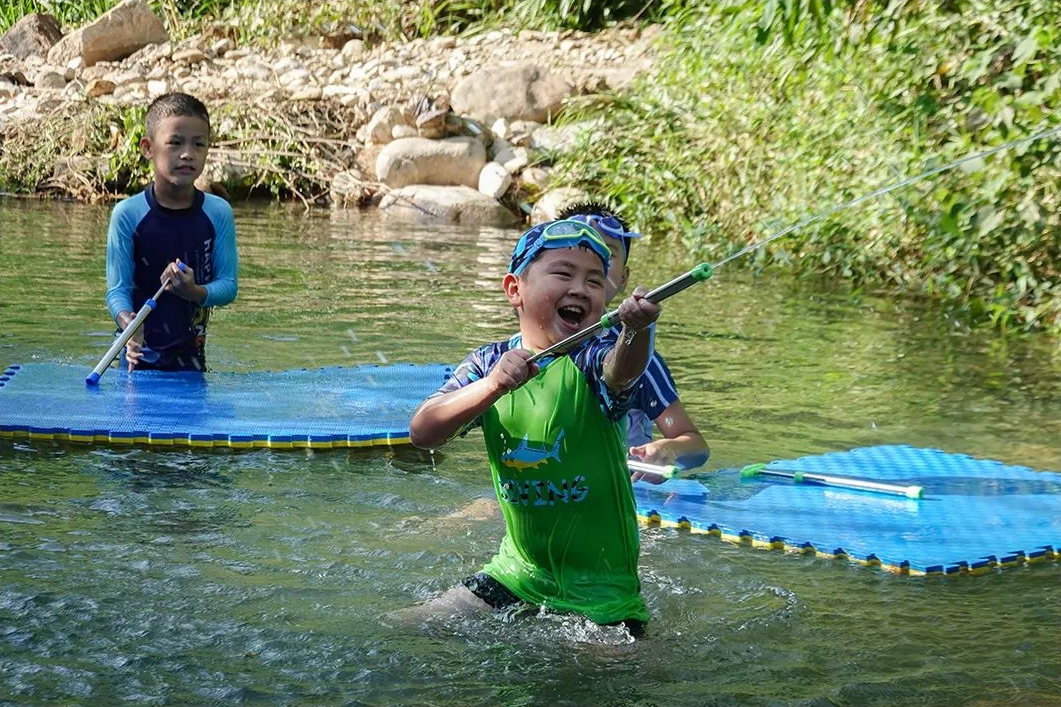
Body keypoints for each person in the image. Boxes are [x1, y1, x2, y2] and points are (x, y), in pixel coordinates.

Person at [407, 218, 662, 634]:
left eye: (596, 282)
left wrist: (636, 331)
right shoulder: (487, 363)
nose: (581, 288)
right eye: (563, 273)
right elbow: (423, 432)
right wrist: (493, 386)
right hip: (516, 575)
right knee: (407, 627)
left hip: (604, 593)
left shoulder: (592, 360)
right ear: (515, 290)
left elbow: (623, 369)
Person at [556, 202, 709, 476]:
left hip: (626, 490)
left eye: (606, 253)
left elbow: (695, 444)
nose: (592, 261)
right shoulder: (514, 353)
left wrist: (668, 450)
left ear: (624, 278)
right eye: (579, 248)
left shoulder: (640, 356)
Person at [104, 92, 238, 372]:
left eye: (198, 144)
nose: (187, 153)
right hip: (135, 361)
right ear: (148, 148)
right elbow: (117, 291)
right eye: (175, 143)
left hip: (192, 363)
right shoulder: (127, 215)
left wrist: (195, 291)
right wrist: (129, 324)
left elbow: (228, 285)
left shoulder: (217, 213)